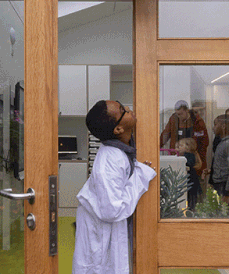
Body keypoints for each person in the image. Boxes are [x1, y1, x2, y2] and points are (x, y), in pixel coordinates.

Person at [73, 100, 156, 274]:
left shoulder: (120, 152)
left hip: (102, 231)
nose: (128, 109)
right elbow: (112, 211)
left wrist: (139, 173)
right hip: (100, 234)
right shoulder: (110, 160)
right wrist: (140, 178)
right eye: (122, 110)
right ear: (118, 130)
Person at [159, 100, 209, 175]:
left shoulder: (197, 121)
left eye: (181, 114)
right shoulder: (173, 119)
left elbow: (203, 143)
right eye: (177, 114)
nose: (179, 116)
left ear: (187, 111)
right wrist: (154, 150)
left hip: (193, 159)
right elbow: (164, 136)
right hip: (176, 158)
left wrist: (201, 163)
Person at [209, 114, 229, 205]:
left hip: (225, 186)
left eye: (215, 124)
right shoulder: (222, 143)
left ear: (223, 126)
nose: (213, 128)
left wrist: (227, 194)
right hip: (219, 185)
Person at [175, 137, 202, 209]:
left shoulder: (188, 156)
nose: (179, 148)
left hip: (191, 183)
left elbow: (187, 164)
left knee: (191, 201)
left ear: (187, 147)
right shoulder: (187, 156)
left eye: (181, 146)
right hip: (190, 183)